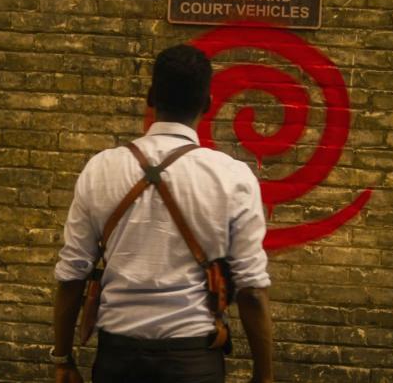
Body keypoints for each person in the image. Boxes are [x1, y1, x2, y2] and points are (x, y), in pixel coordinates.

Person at [50, 44, 274, 383]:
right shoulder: (232, 177)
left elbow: (71, 276)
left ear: (151, 97)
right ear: (208, 103)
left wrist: (64, 358)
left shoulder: (101, 169)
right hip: (194, 363)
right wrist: (264, 375)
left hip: (118, 360)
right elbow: (252, 292)